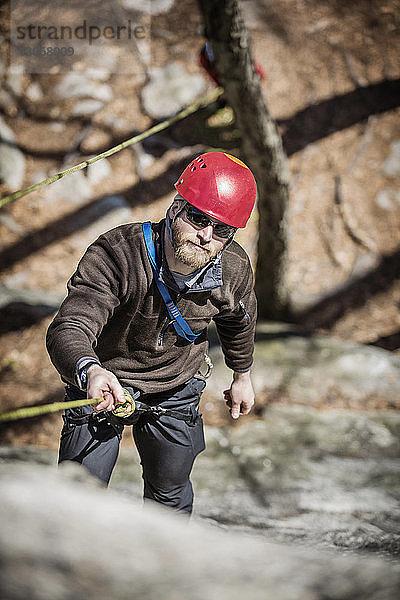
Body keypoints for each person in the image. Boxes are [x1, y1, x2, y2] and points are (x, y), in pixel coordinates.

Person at [46, 151, 257, 515]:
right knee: (77, 501)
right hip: (106, 384)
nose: (206, 235)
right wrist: (90, 370)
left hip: (176, 388)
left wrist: (242, 375)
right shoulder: (118, 254)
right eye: (197, 218)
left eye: (221, 229)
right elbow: (72, 324)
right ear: (176, 208)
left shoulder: (232, 269)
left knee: (169, 498)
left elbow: (239, 318)